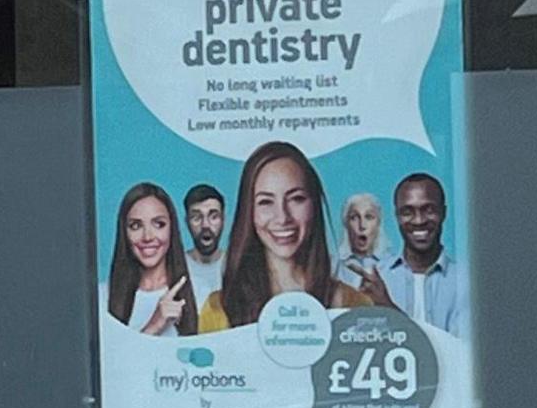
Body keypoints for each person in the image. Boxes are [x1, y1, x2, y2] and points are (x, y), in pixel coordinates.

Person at [198, 140, 394, 330]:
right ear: (249, 212)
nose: (283, 217)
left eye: (296, 199)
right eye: (266, 202)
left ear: (314, 205)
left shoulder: (354, 306)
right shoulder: (218, 311)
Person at [382, 170, 470, 340]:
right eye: (407, 212)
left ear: (443, 213)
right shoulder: (378, 279)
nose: (418, 220)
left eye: (428, 210)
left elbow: (459, 351)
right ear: (397, 216)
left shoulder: (466, 282)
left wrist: (390, 312)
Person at [105, 181, 198, 336]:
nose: (147, 237)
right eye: (136, 226)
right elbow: (111, 360)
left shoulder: (201, 293)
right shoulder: (102, 298)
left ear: (172, 228)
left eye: (159, 224)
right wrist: (154, 325)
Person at [339, 191, 389, 288]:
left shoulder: (392, 268)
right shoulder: (334, 268)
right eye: (354, 218)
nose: (362, 225)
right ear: (346, 224)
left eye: (369, 217)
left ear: (378, 223)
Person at [181, 184, 228, 281]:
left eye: (214, 217)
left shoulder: (238, 267)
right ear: (187, 222)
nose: (205, 225)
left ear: (223, 220)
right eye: (196, 217)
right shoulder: (176, 268)